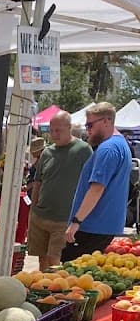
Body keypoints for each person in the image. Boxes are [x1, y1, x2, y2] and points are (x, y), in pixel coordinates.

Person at [62, 101, 132, 260]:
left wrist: (76, 221)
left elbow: (97, 188)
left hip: (92, 226)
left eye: (90, 125)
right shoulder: (121, 144)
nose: (88, 130)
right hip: (102, 226)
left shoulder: (108, 149)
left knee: (71, 271)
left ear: (106, 121)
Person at [27, 112, 92, 271]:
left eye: (58, 130)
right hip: (40, 216)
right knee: (41, 258)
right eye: (51, 130)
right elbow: (38, 182)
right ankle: (43, 285)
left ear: (69, 128)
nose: (54, 134)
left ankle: (55, 285)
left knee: (54, 259)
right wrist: (32, 210)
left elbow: (91, 183)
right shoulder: (47, 152)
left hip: (64, 218)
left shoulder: (83, 150)